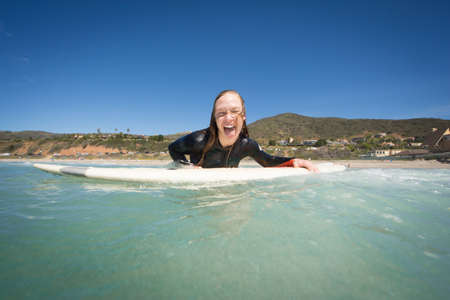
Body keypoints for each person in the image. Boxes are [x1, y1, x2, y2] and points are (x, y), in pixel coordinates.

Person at [168, 90, 318, 172]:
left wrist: (294, 161)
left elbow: (268, 161)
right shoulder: (198, 140)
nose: (228, 118)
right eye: (221, 113)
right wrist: (187, 167)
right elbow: (173, 148)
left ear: (243, 116)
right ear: (215, 119)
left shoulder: (246, 145)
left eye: (234, 111)